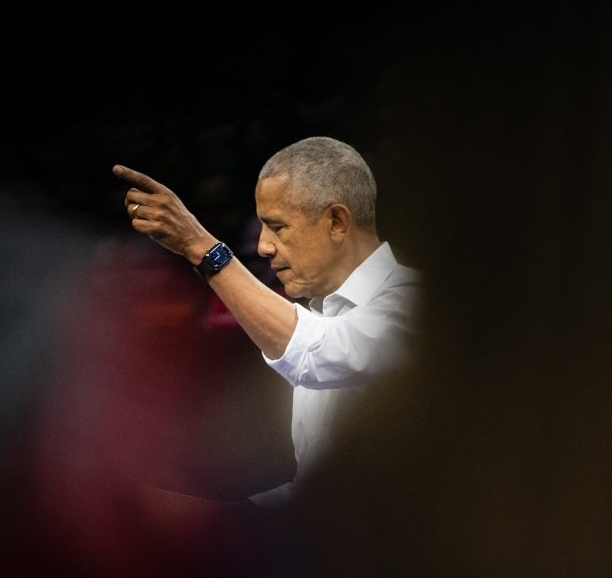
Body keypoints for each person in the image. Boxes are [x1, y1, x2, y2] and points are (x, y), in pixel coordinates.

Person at [113, 136, 422, 511]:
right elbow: (316, 500)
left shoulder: (417, 303)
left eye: (277, 226)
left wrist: (202, 247)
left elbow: (314, 352)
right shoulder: (326, 315)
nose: (263, 246)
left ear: (337, 222)